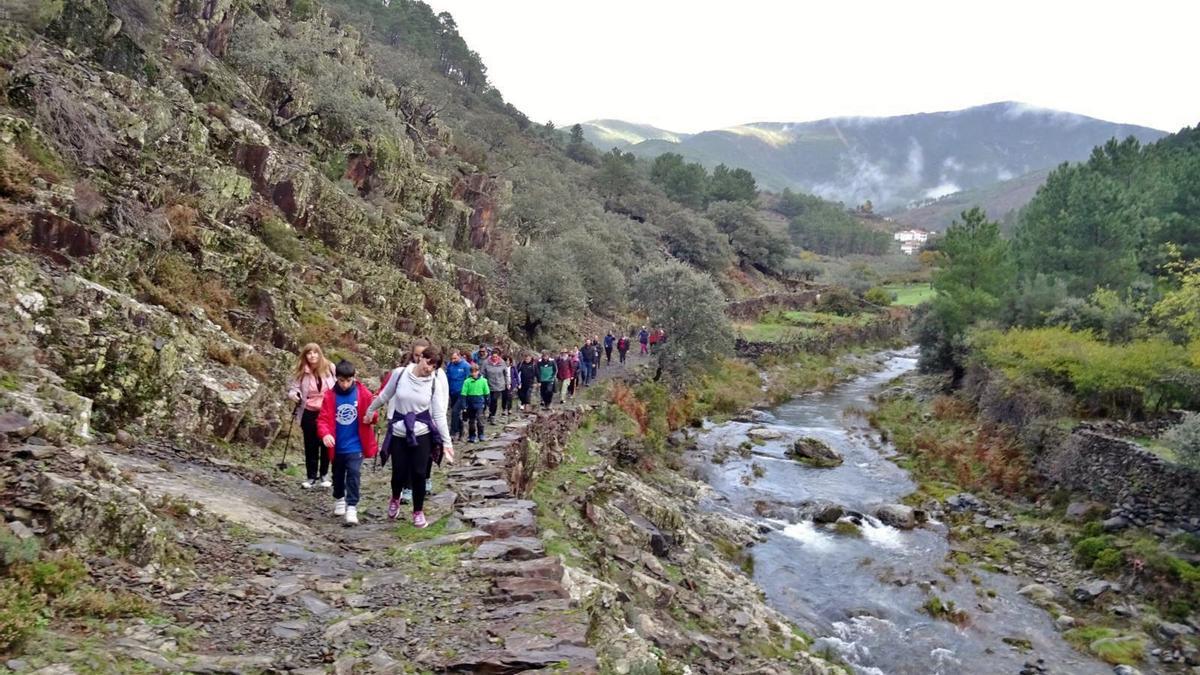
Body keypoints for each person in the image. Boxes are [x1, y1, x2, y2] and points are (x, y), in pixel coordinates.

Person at [367, 346, 453, 529]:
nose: (429, 368)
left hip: (422, 433)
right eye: (428, 362)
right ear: (420, 358)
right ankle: (395, 498)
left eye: (434, 366)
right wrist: (370, 409)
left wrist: (447, 442)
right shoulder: (400, 374)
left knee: (419, 473)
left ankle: (418, 512)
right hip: (399, 431)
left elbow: (438, 414)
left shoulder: (433, 383)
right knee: (398, 471)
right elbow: (385, 395)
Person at [317, 360, 377, 525]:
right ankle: (339, 498)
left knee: (354, 473)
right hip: (337, 446)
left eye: (348, 381)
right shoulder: (330, 396)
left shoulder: (363, 393)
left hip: (356, 444)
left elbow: (373, 411)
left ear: (354, 377)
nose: (344, 384)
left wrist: (371, 417)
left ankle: (352, 506)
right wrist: (325, 434)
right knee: (337, 475)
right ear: (336, 378)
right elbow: (322, 419)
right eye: (341, 380)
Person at [288, 343, 335, 489]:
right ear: (305, 356)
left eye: (315, 352)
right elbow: (293, 388)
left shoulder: (330, 367)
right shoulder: (302, 370)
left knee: (326, 443)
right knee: (310, 444)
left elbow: (338, 385)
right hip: (308, 410)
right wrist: (294, 395)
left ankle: (324, 475)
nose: (312, 355)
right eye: (309, 353)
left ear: (320, 353)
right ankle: (311, 476)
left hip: (327, 411)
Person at [444, 350, 472, 442]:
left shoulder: (466, 366)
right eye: (452, 358)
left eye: (455, 358)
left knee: (455, 412)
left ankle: (453, 433)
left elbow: (469, 380)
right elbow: (447, 378)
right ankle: (461, 431)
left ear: (460, 357)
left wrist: (467, 393)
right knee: (455, 414)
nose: (453, 360)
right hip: (452, 392)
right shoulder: (450, 365)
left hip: (462, 393)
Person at [460, 363, 490, 442]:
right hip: (470, 404)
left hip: (480, 403)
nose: (474, 373)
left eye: (475, 371)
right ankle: (472, 436)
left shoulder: (483, 381)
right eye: (472, 372)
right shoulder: (467, 381)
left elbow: (487, 393)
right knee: (471, 421)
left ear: (478, 371)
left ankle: (481, 434)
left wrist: (487, 403)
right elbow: (463, 394)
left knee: (480, 420)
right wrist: (464, 406)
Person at [482, 349, 509, 425]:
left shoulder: (502, 363)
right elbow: (482, 373)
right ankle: (490, 413)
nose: (494, 358)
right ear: (491, 356)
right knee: (488, 400)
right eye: (493, 357)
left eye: (496, 357)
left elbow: (506, 373)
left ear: (498, 356)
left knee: (494, 400)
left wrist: (507, 383)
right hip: (488, 384)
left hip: (499, 385)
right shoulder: (486, 363)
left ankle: (492, 416)